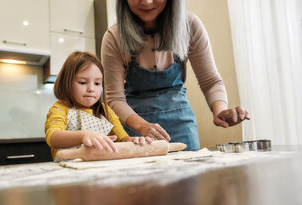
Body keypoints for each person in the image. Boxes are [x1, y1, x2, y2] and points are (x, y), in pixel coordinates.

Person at [101, 0, 250, 150]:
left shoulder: (189, 25)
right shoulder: (114, 38)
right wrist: (142, 126)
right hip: (137, 133)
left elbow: (210, 81)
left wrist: (220, 111)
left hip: (181, 127)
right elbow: (115, 99)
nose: (146, 2)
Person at [45, 51, 152, 161]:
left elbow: (123, 139)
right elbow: (53, 137)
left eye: (97, 83)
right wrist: (83, 136)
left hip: (99, 170)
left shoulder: (105, 111)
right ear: (66, 82)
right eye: (82, 82)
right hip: (68, 171)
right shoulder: (61, 108)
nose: (91, 89)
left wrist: (133, 141)